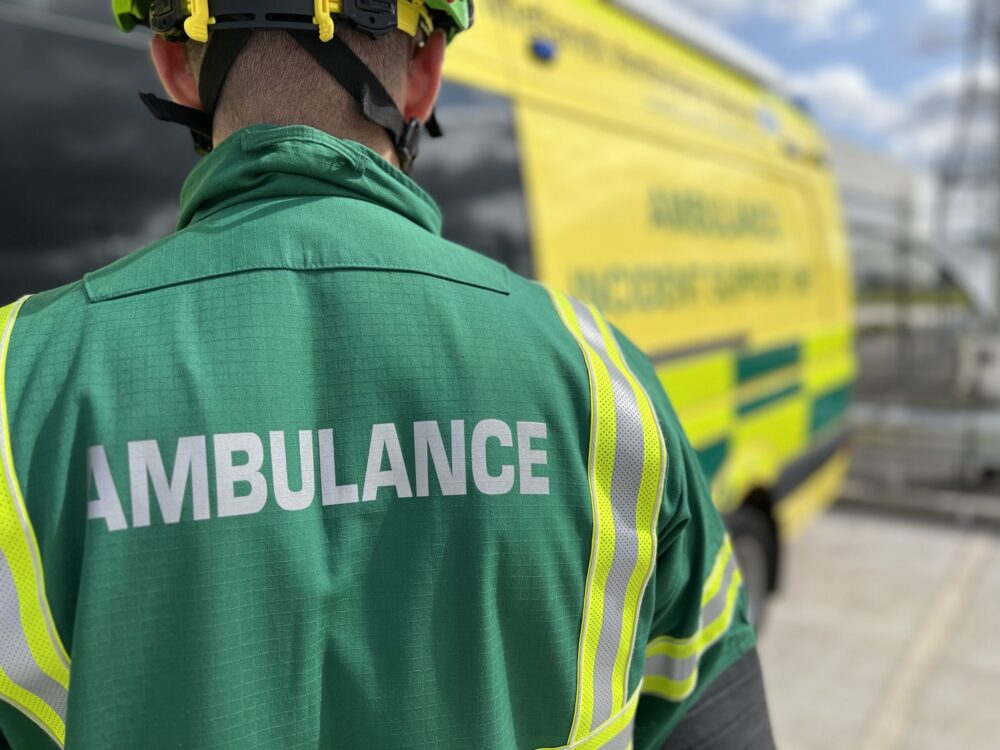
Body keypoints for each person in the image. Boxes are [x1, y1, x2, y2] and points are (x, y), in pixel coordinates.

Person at [0, 1, 774, 747]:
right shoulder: (602, 378)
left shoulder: (18, 381)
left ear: (173, 64)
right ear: (425, 71)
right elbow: (715, 718)